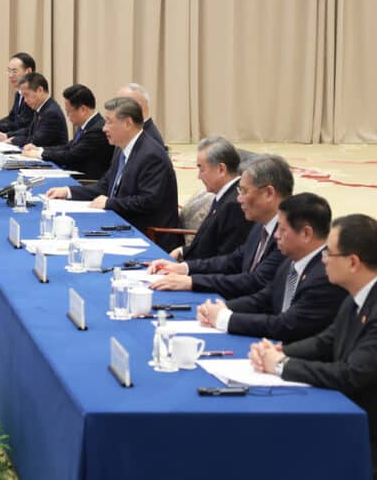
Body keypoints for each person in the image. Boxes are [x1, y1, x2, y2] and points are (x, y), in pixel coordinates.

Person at [250, 214, 377, 476]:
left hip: (365, 433)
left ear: (353, 262)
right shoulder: (356, 295)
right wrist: (280, 351)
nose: (323, 259)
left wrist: (283, 366)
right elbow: (326, 341)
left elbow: (351, 374)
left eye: (330, 253)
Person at [195, 193, 346, 342]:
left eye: (282, 229)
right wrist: (224, 307)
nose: (276, 235)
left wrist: (225, 319)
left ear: (306, 234)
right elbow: (264, 298)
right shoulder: (291, 260)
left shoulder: (326, 274)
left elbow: (287, 325)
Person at [46, 96, 181, 250]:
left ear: (128, 123)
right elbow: (105, 186)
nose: (104, 128)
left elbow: (148, 201)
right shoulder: (121, 148)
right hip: (122, 223)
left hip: (147, 235)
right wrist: (68, 192)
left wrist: (109, 203)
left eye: (109, 122)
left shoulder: (151, 155)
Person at [148, 154, 292, 297]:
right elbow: (233, 260)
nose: (239, 198)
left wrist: (191, 282)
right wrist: (184, 268)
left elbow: (255, 281)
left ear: (268, 193)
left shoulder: (288, 235)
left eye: (244, 191)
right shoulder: (262, 224)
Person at [171, 136, 255, 262]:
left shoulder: (235, 205)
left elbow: (224, 261)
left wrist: (185, 271)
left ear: (221, 169)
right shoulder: (225, 196)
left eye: (202, 169)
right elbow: (209, 243)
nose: (198, 176)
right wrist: (182, 251)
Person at [21, 84, 113, 179]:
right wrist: (40, 149)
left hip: (85, 181)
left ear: (83, 110)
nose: (68, 116)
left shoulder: (97, 130)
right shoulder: (88, 125)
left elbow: (71, 155)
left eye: (69, 112)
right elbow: (68, 147)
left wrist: (39, 154)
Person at [0, 72, 67, 149]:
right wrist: (6, 136)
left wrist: (13, 140)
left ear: (40, 90)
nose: (25, 101)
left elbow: (37, 141)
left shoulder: (51, 112)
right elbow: (29, 130)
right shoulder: (42, 107)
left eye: (26, 95)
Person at [0, 52, 36, 135]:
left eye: (14, 71)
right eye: (9, 71)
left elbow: (22, 125)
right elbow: (12, 118)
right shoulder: (19, 93)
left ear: (28, 71)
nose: (10, 75)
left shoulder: (33, 95)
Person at [116, 83, 165, 149]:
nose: (116, 109)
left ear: (138, 107)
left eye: (121, 104)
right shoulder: (133, 131)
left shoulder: (149, 139)